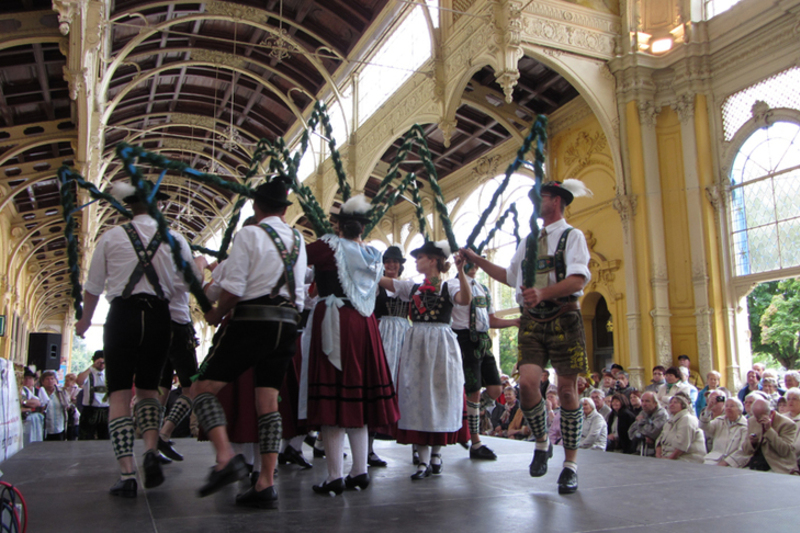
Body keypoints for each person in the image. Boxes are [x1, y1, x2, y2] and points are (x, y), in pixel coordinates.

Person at [462, 178, 593, 494]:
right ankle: (542, 441)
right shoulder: (528, 241)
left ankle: (570, 465)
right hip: (532, 320)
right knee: (528, 385)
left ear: (557, 201)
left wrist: (543, 291)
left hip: (565, 317)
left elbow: (577, 279)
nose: (537, 202)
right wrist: (476, 260)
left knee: (565, 390)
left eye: (542, 197)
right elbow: (509, 277)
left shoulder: (572, 236)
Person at [190, 178, 308, 508]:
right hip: (287, 325)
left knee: (201, 390)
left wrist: (215, 313)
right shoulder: (298, 239)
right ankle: (265, 483)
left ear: (256, 207)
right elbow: (299, 295)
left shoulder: (250, 234)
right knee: (268, 403)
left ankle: (226, 458)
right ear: (284, 210)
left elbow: (236, 288)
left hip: (253, 320)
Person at [75, 180, 197, 498]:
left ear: (130, 206)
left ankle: (127, 473)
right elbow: (190, 284)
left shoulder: (112, 237)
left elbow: (92, 287)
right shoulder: (176, 239)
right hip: (159, 317)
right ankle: (151, 450)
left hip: (122, 318)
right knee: (147, 392)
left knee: (118, 396)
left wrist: (86, 321)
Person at [305, 195, 399, 495]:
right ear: (363, 227)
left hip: (336, 321)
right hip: (365, 324)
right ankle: (359, 471)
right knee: (358, 398)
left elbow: (294, 259)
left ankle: (334, 475)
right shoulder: (374, 254)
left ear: (338, 225)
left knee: (333, 396)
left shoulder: (325, 247)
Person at [380, 239, 471, 480]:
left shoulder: (449, 286)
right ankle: (421, 460)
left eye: (420, 257)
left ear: (433, 260)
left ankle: (436, 454)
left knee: (441, 393)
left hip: (441, 342)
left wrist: (461, 271)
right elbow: (382, 281)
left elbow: (465, 299)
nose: (416, 261)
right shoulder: (411, 287)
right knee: (415, 395)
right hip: (416, 342)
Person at [448, 258, 519, 460]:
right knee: (473, 392)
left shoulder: (484, 289)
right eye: (469, 262)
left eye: (475, 262)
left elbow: (490, 320)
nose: (475, 266)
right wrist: (459, 271)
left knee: (496, 390)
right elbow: (462, 298)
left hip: (483, 340)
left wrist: (514, 321)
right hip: (464, 339)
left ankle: (467, 418)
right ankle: (475, 441)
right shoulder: (452, 284)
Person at [372, 244, 410, 467]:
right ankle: (372, 442)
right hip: (383, 332)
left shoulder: (406, 286)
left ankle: (408, 434)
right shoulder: (376, 286)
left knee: (404, 382)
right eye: (387, 261)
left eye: (395, 262)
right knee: (382, 379)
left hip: (405, 333)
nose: (391, 265)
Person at [156, 289, 202, 462]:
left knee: (161, 389)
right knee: (191, 389)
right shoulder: (181, 260)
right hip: (178, 326)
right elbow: (193, 279)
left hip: (156, 326)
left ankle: (152, 448)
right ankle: (164, 434)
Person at [741, 398, 798, 474]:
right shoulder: (752, 421)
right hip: (755, 463)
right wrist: (752, 443)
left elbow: (785, 451)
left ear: (770, 413)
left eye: (761, 417)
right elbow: (745, 450)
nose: (758, 421)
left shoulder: (787, 424)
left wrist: (769, 430)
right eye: (756, 417)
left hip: (777, 465)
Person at [655, 393, 706, 463]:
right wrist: (658, 456)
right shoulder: (669, 422)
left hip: (687, 459)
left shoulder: (687, 419)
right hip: (666, 457)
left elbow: (681, 446)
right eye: (670, 403)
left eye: (675, 402)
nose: (672, 404)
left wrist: (668, 460)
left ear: (683, 405)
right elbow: (659, 440)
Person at [702, 398, 749, 467]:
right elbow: (704, 427)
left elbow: (742, 451)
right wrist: (707, 411)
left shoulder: (745, 426)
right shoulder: (719, 421)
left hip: (733, 464)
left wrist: (726, 462)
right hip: (713, 460)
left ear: (739, 410)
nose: (728, 408)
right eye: (726, 406)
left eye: (732, 406)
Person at [75, 351, 109, 440]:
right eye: (99, 362)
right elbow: (79, 382)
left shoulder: (109, 373)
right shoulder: (88, 373)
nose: (102, 365)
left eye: (104, 362)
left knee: (106, 438)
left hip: (106, 409)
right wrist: (92, 367)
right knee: (85, 437)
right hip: (90, 410)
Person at [628, 391, 668, 456]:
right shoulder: (643, 412)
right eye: (642, 401)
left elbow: (652, 432)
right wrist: (643, 437)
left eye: (647, 401)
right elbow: (631, 433)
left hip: (656, 453)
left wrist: (641, 422)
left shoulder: (662, 414)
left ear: (655, 403)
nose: (644, 404)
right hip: (641, 450)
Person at [40, 370, 72, 441]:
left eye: (52, 379)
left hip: (59, 427)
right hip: (45, 429)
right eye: (47, 379)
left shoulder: (61, 392)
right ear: (42, 382)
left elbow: (68, 405)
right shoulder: (39, 393)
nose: (50, 381)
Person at [19, 367, 46, 445]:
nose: (27, 380)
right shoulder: (22, 389)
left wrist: (24, 402)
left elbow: (38, 403)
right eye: (25, 378)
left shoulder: (36, 390)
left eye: (30, 378)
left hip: (33, 420)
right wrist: (29, 408)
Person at [784, 387, 800, 470]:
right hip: (778, 456)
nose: (790, 401)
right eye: (788, 399)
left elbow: (797, 447)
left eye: (794, 399)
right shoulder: (781, 418)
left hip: (794, 460)